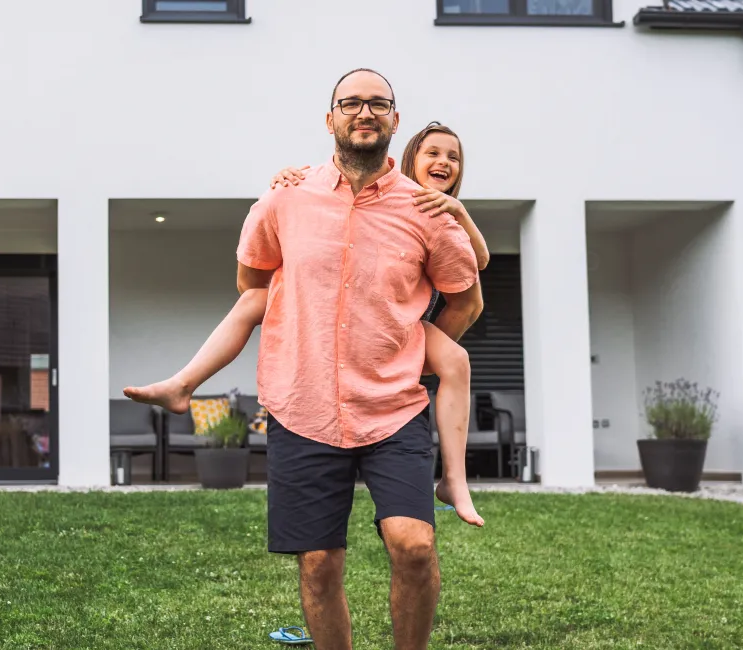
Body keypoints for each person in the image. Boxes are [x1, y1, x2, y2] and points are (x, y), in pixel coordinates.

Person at [123, 120, 489, 529]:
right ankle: (183, 384)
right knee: (253, 300)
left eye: (453, 157)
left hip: (403, 328)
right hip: (330, 317)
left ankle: (454, 478)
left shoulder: (435, 212)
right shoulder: (380, 197)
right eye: (433, 153)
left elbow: (480, 266)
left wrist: (459, 213)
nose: (443, 162)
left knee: (456, 361)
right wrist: (285, 181)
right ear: (409, 159)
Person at [241, 68, 481, 650]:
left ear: (395, 120)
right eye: (351, 103)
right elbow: (252, 277)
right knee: (319, 563)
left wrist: (417, 351)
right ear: (331, 119)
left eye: (378, 104)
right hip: (304, 406)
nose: (364, 112)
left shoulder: (427, 210)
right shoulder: (286, 197)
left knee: (415, 545)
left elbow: (467, 297)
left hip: (392, 408)